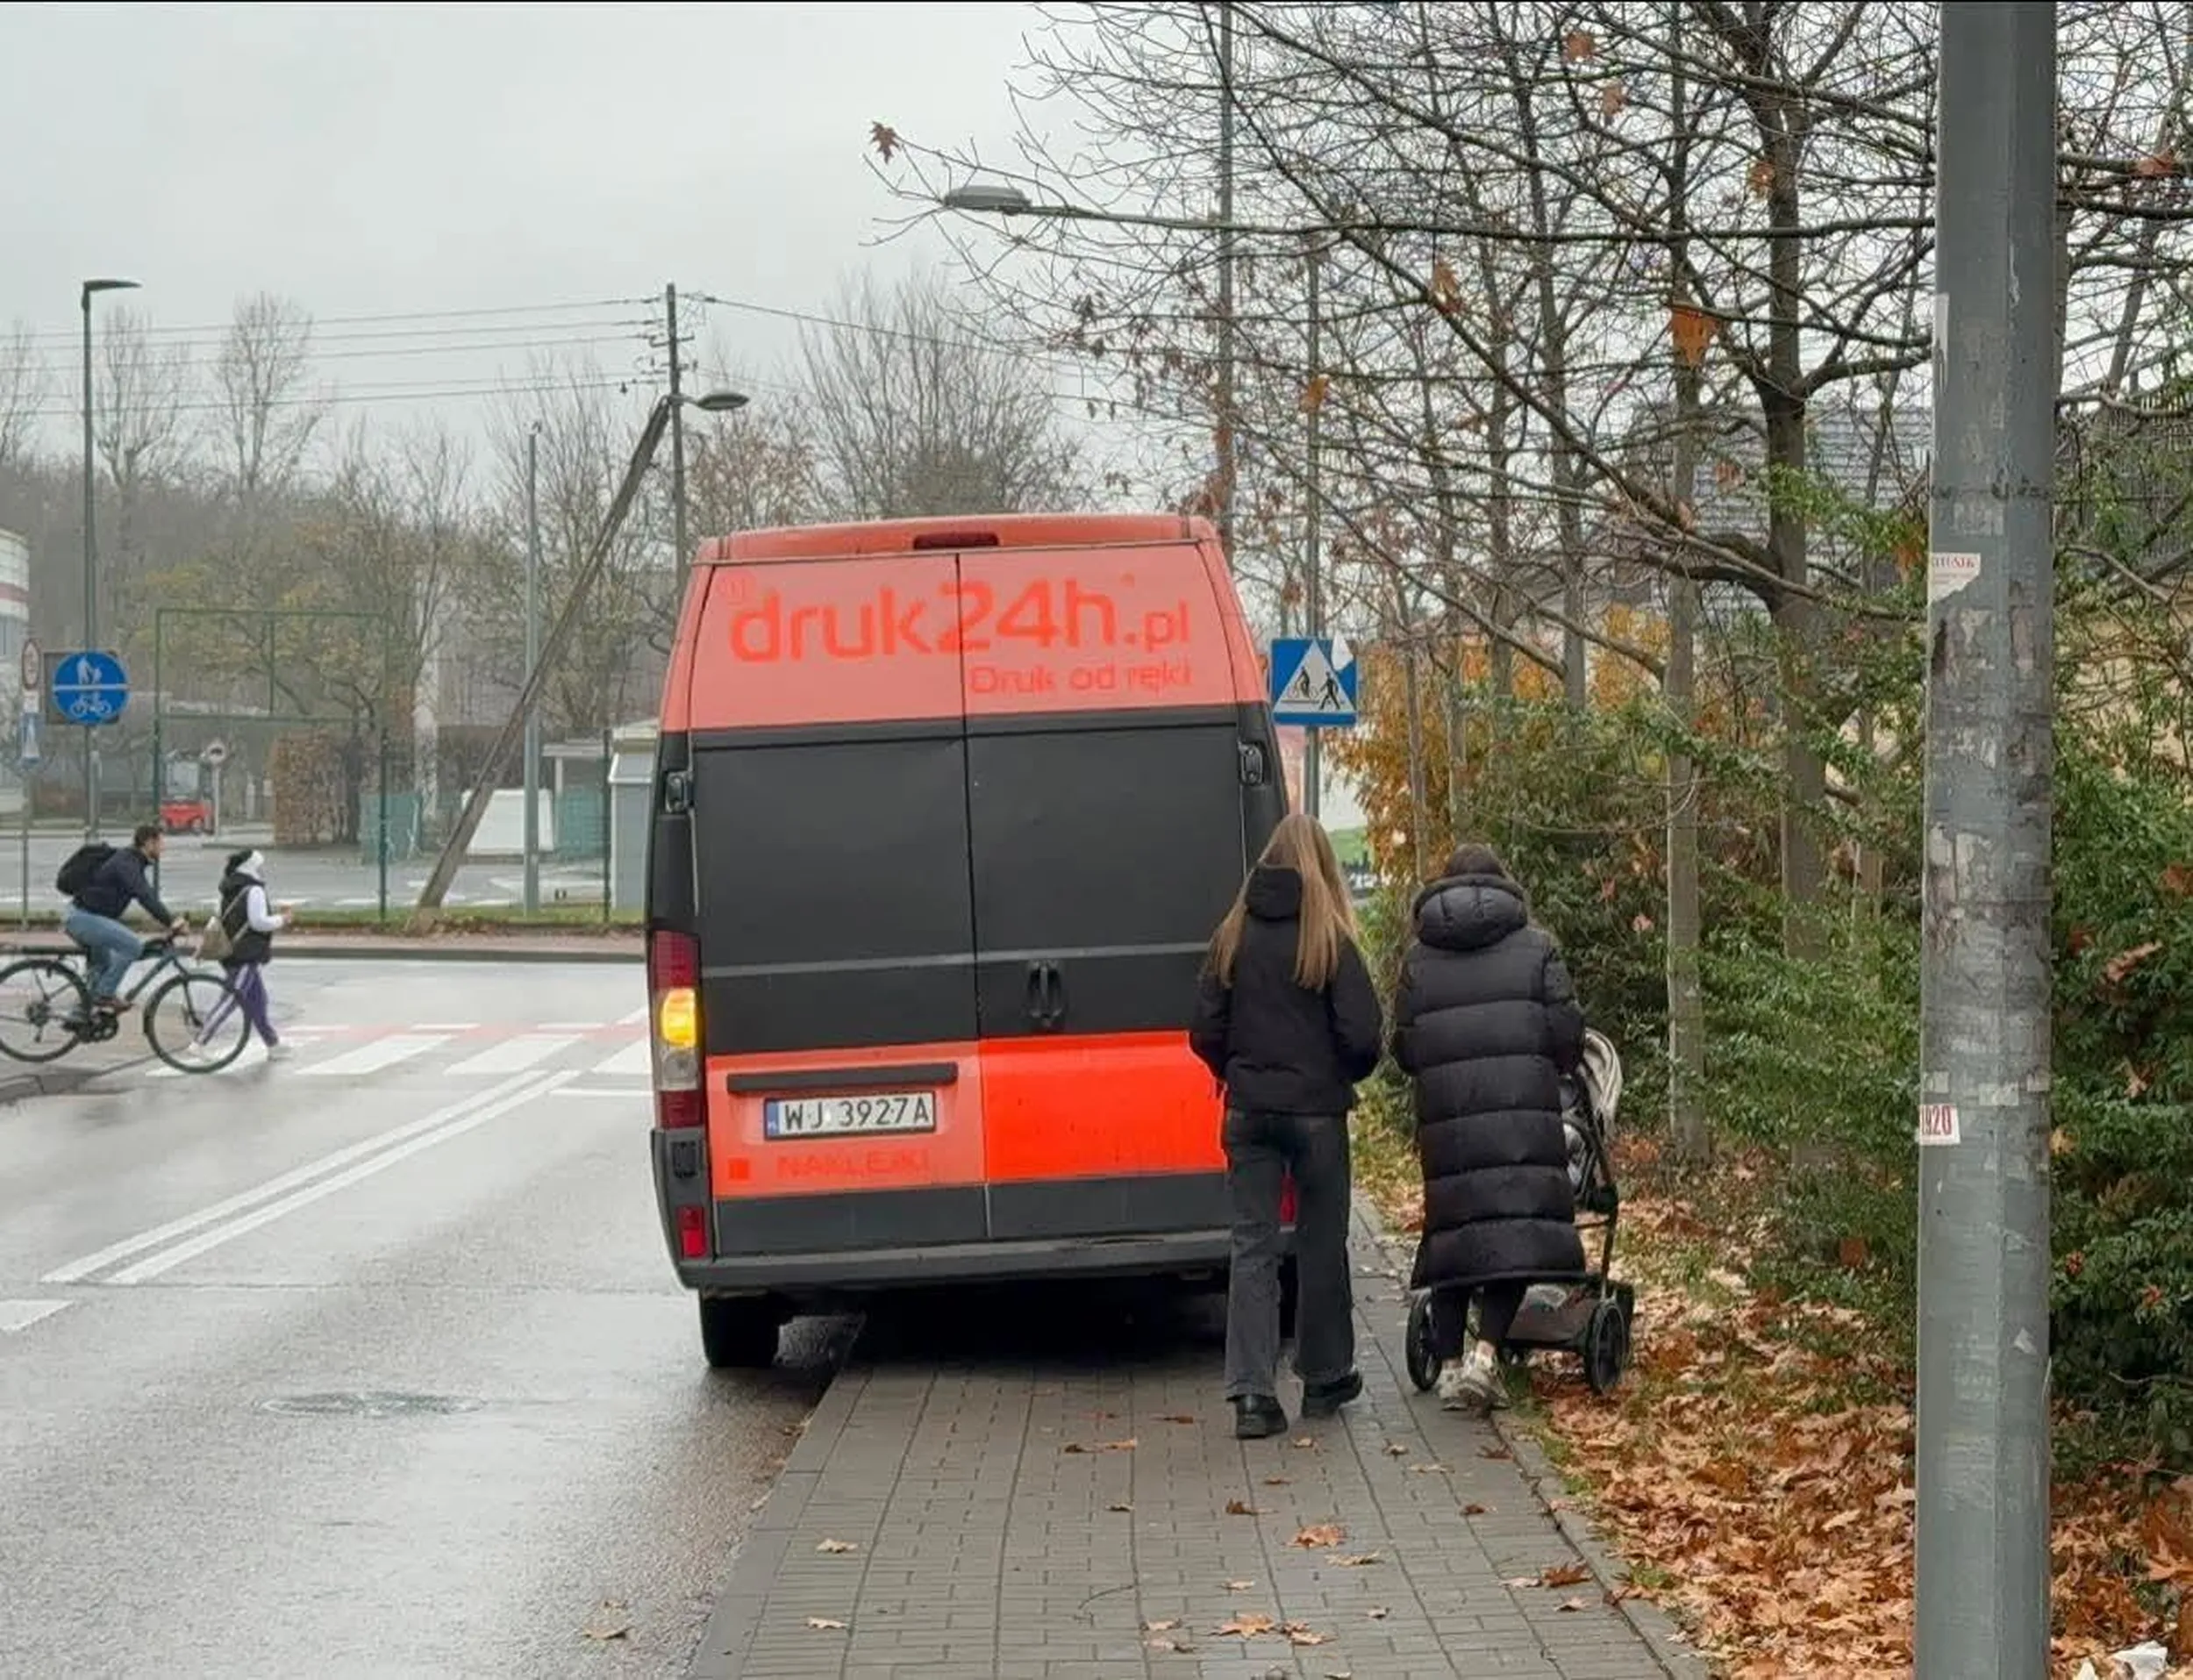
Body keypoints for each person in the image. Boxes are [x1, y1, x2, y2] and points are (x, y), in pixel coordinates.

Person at [1190, 812, 1383, 1440]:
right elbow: (1363, 1035)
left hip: (1247, 1113)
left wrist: (1238, 1071)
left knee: (1252, 1246)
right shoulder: (1329, 937)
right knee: (1321, 1243)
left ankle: (1252, 1396)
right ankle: (1325, 1376)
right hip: (1317, 1116)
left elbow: (1203, 1031)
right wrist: (1336, 1074)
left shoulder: (1232, 935)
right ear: (1320, 867)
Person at [1390, 843, 1588, 1414]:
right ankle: (1485, 1355)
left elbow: (1405, 1048)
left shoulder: (1418, 959)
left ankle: (1449, 1368)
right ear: (1504, 884)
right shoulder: (1537, 947)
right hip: (1521, 1118)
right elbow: (1567, 1035)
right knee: (1514, 1240)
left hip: (1448, 1124)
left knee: (1455, 1237)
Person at [63, 823, 188, 1012]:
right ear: (148, 843)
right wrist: (171, 921)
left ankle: (80, 1016)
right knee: (132, 946)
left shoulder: (131, 861)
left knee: (103, 966)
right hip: (84, 918)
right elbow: (144, 895)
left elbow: (146, 894)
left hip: (85, 916)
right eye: (161, 842)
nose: (164, 848)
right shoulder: (127, 863)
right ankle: (104, 994)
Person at [201, 849, 291, 1060]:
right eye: (259, 866)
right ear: (251, 867)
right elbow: (258, 922)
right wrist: (282, 919)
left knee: (258, 1000)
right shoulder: (254, 890)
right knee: (233, 998)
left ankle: (273, 1045)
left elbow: (218, 918)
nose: (262, 870)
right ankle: (200, 1041)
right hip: (246, 953)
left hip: (230, 950)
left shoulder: (228, 887)